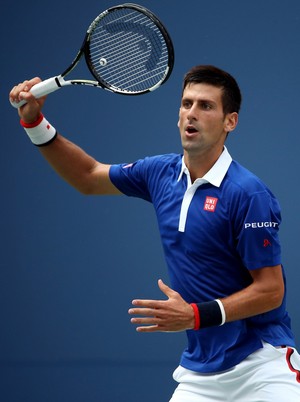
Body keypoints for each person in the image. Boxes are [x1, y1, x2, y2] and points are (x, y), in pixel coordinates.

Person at [10, 65, 300, 401]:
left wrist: (194, 315)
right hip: (199, 374)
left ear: (229, 122)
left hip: (261, 364)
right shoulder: (159, 173)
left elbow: (270, 291)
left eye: (206, 106)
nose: (191, 113)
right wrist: (34, 123)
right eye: (186, 103)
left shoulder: (248, 194)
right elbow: (88, 177)